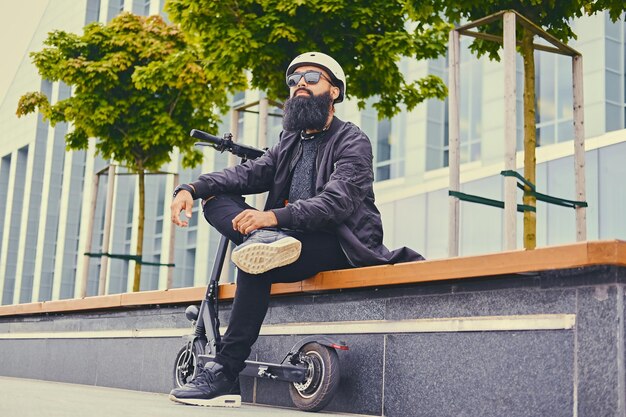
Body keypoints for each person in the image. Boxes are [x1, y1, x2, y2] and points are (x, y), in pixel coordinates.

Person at [168, 51, 424, 407]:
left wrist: (271, 219)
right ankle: (261, 242)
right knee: (218, 201)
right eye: (293, 80)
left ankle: (225, 373)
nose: (299, 84)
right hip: (281, 238)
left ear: (334, 92)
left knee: (255, 262)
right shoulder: (289, 141)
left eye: (311, 78)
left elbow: (337, 203)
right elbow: (247, 174)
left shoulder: (352, 141)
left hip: (336, 242)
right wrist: (190, 189)